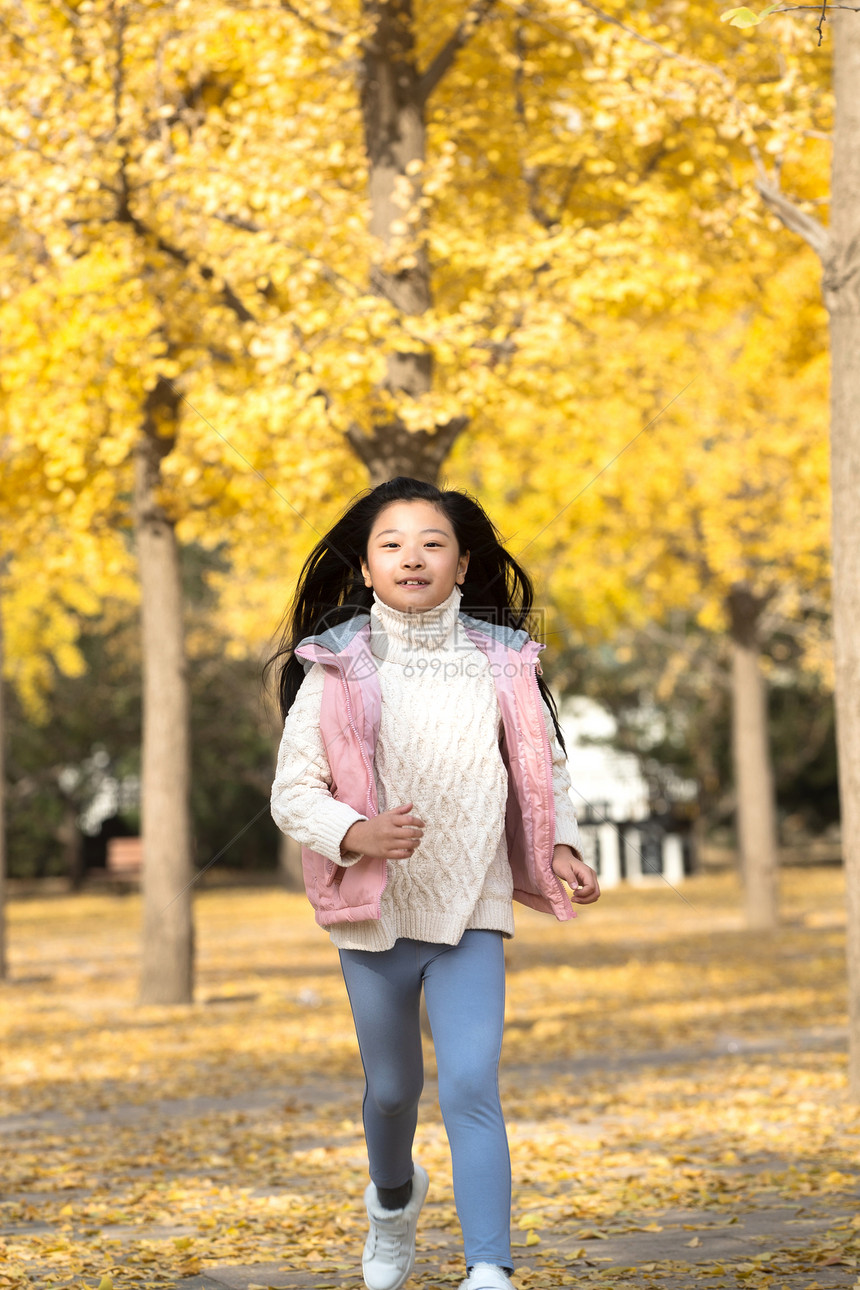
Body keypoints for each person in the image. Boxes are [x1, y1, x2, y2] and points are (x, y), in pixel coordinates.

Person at [268, 477, 600, 1290]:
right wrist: (356, 834)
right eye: (392, 544)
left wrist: (558, 842)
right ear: (366, 567)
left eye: (432, 543)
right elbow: (293, 792)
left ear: (461, 565)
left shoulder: (503, 662)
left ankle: (490, 1267)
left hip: (472, 906)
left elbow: (541, 767)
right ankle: (392, 1200)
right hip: (376, 912)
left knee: (470, 1085)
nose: (412, 556)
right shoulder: (338, 666)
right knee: (391, 1091)